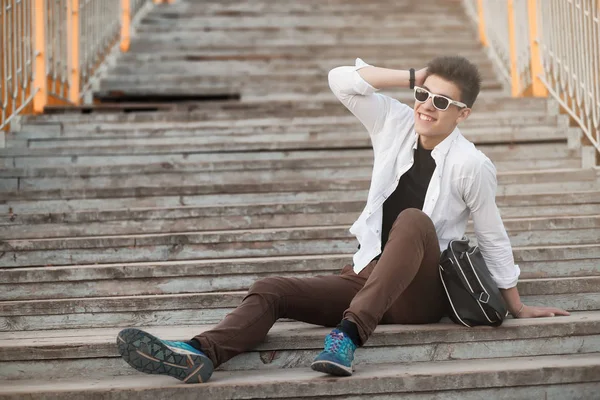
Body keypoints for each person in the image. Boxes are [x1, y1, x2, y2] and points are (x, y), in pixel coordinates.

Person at [116, 56, 570, 384]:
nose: (427, 106)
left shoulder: (472, 164)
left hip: (419, 292)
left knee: (413, 221)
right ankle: (199, 355)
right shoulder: (393, 123)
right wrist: (415, 74)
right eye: (422, 95)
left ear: (463, 113)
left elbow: (492, 234)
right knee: (273, 289)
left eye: (442, 101)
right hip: (365, 276)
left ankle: (347, 337)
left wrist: (516, 304)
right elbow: (342, 80)